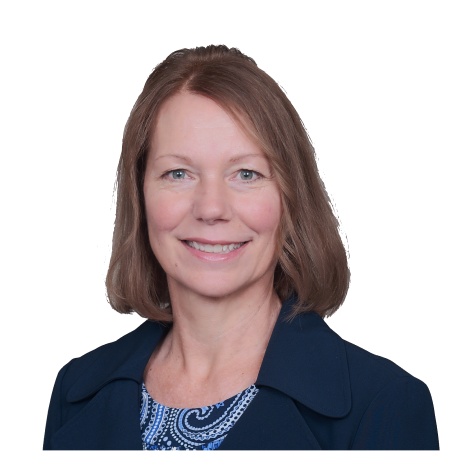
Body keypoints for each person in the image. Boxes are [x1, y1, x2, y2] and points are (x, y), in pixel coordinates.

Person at [43, 44, 439, 450]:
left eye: (246, 173)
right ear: (141, 195)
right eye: (178, 173)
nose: (211, 208)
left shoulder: (385, 404)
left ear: (289, 198)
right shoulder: (75, 390)